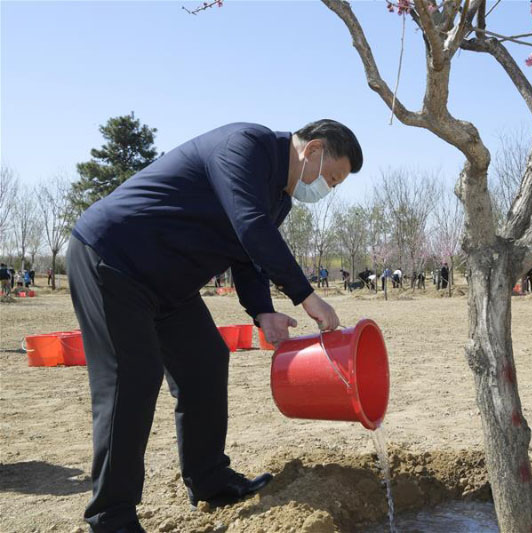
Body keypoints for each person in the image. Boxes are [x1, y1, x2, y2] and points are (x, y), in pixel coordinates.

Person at [66, 120, 362, 532]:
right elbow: (250, 227)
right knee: (132, 377)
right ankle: (111, 516)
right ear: (312, 150)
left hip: (168, 283)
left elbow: (247, 254)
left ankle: (209, 480)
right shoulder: (245, 147)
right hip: (114, 258)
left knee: (205, 360)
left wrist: (262, 311)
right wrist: (306, 296)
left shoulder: (279, 198)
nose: (326, 189)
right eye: (331, 178)